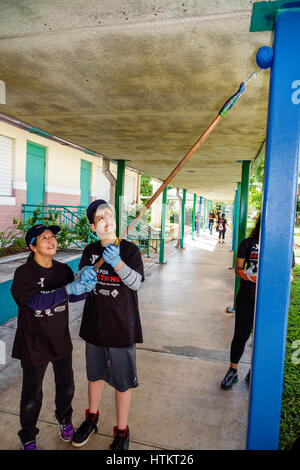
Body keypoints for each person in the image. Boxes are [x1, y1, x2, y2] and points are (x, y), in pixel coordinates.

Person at [11, 224, 96, 450]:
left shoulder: (62, 271)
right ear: (32, 246)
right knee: (32, 394)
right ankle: (28, 435)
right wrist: (70, 289)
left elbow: (73, 297)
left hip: (59, 338)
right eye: (43, 238)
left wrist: (86, 287)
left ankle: (65, 419)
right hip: (33, 342)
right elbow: (37, 301)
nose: (51, 241)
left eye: (52, 236)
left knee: (66, 385)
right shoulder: (23, 274)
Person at [71, 199, 144, 450]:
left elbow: (136, 283)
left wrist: (118, 263)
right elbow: (80, 279)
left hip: (123, 327)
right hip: (94, 326)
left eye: (109, 215)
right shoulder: (90, 250)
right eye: (100, 217)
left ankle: (122, 432)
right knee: (95, 375)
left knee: (122, 382)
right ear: (94, 227)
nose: (107, 220)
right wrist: (84, 276)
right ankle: (92, 418)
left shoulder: (129, 250)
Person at [220, 214, 295, 390]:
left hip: (270, 301)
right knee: (241, 335)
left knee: (263, 337)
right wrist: (246, 274)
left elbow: (289, 275)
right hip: (247, 296)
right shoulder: (247, 243)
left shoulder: (284, 246)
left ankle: (255, 371)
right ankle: (233, 370)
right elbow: (238, 269)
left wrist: (283, 279)